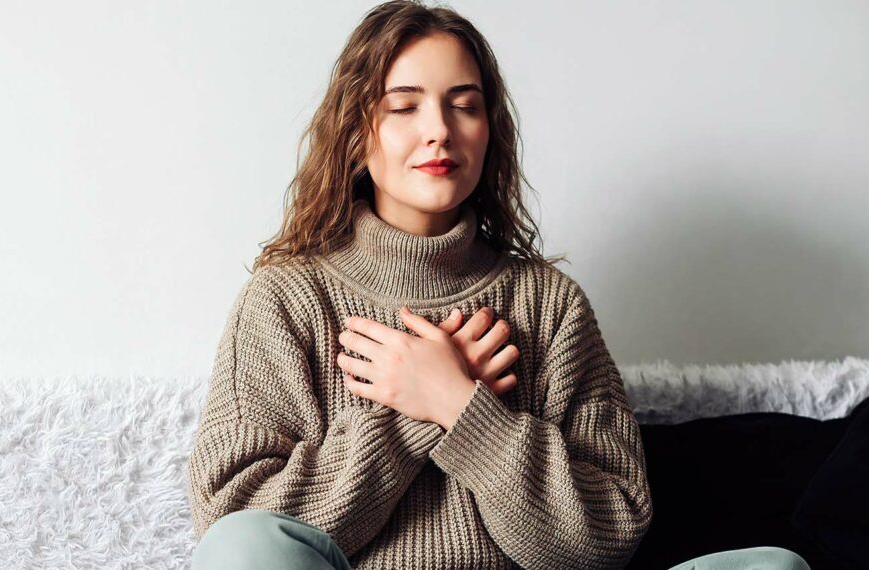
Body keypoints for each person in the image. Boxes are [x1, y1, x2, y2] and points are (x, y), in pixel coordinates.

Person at [184, 2, 811, 569]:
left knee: (774, 568)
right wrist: (407, 419)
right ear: (355, 135)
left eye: (465, 104)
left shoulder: (550, 302)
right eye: (404, 106)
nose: (440, 130)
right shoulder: (287, 298)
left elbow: (608, 533)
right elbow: (235, 525)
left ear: (490, 129)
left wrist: (461, 406)